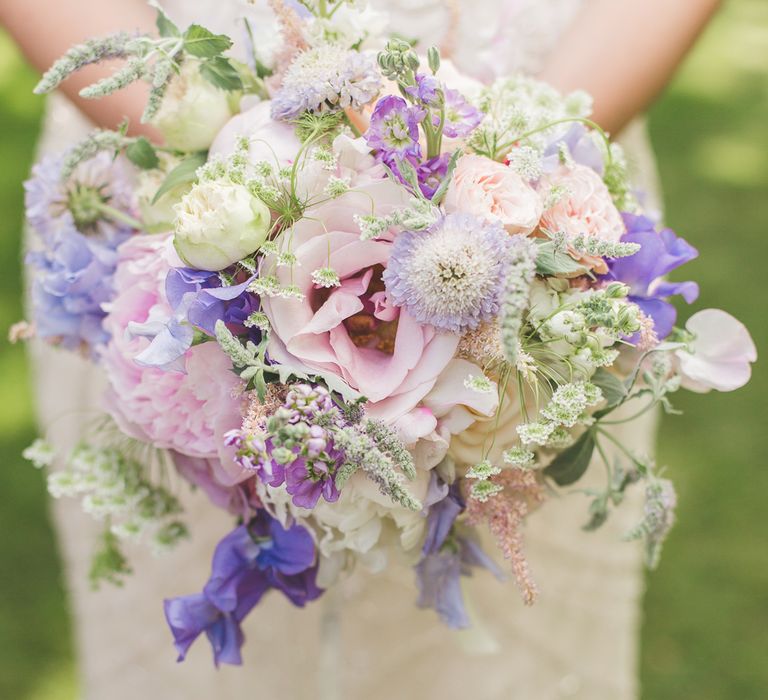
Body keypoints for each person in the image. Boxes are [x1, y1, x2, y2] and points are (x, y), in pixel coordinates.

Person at [1, 1, 721, 698]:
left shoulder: (536, 198)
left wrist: (513, 195)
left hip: (552, 139)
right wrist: (240, 184)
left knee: (511, 649)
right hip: (156, 154)